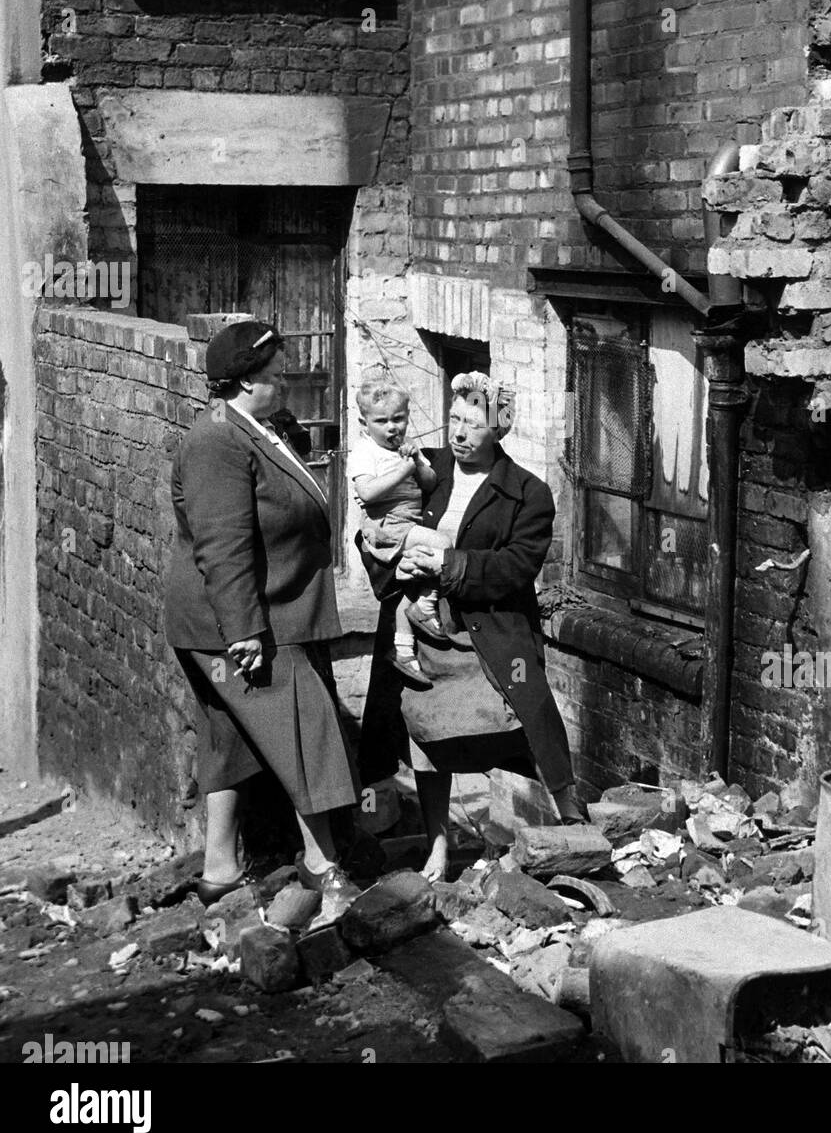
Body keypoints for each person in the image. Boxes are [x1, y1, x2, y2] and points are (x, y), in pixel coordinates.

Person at [358, 371, 585, 881]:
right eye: (455, 419)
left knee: (525, 721)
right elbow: (373, 520)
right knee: (425, 734)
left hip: (491, 633)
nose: (458, 433)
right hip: (423, 632)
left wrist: (448, 566)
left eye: (474, 424)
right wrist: (393, 561)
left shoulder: (526, 493)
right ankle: (438, 846)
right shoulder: (424, 468)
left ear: (498, 431)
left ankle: (568, 820)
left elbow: (517, 568)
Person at [164, 320, 360, 912]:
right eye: (277, 376)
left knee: (231, 738)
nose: (287, 383)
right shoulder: (217, 442)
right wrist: (245, 632)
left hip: (269, 611)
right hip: (242, 621)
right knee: (305, 731)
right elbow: (222, 544)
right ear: (246, 382)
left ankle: (219, 871)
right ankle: (323, 866)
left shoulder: (257, 429)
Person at [347, 381, 452, 689]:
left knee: (405, 586)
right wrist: (404, 471)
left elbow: (430, 483)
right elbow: (367, 492)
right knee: (443, 545)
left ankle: (404, 652)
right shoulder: (365, 452)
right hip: (388, 526)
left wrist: (418, 463)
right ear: (364, 424)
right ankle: (426, 605)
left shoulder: (407, 452)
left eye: (398, 419)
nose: (392, 428)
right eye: (381, 421)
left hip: (407, 522)